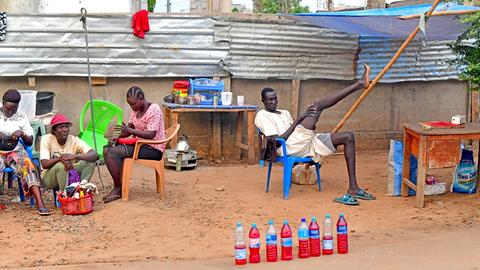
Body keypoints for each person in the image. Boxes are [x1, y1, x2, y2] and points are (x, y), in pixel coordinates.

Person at [255, 64, 376, 206]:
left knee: (348, 137)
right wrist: (299, 120)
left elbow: (297, 131)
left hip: (304, 143)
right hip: (287, 146)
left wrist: (300, 123)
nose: (274, 102)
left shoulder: (285, 113)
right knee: (317, 106)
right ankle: (359, 84)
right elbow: (276, 141)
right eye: (270, 99)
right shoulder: (262, 115)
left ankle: (353, 188)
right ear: (263, 101)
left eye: (275, 98)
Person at [103, 86, 166, 203]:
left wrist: (129, 130)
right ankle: (119, 186)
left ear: (142, 99)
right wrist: (116, 136)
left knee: (112, 152)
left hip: (153, 149)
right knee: (107, 149)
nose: (131, 107)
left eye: (133, 104)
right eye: (129, 104)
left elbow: (151, 134)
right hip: (140, 145)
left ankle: (118, 189)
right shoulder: (135, 111)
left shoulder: (154, 109)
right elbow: (128, 131)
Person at [0, 89, 50, 215]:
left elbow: (29, 141)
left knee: (28, 167)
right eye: (7, 109)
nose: (10, 112)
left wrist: (22, 134)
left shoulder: (21, 117)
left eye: (13, 109)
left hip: (15, 151)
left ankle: (40, 203)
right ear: (2, 103)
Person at [41, 114, 99, 192]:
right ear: (54, 131)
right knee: (61, 166)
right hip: (50, 177)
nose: (64, 129)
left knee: (90, 161)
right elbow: (44, 164)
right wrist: (60, 159)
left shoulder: (74, 140)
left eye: (66, 127)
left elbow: (95, 155)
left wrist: (74, 156)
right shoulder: (47, 139)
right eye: (61, 127)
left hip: (71, 171)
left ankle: (81, 188)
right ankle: (64, 195)